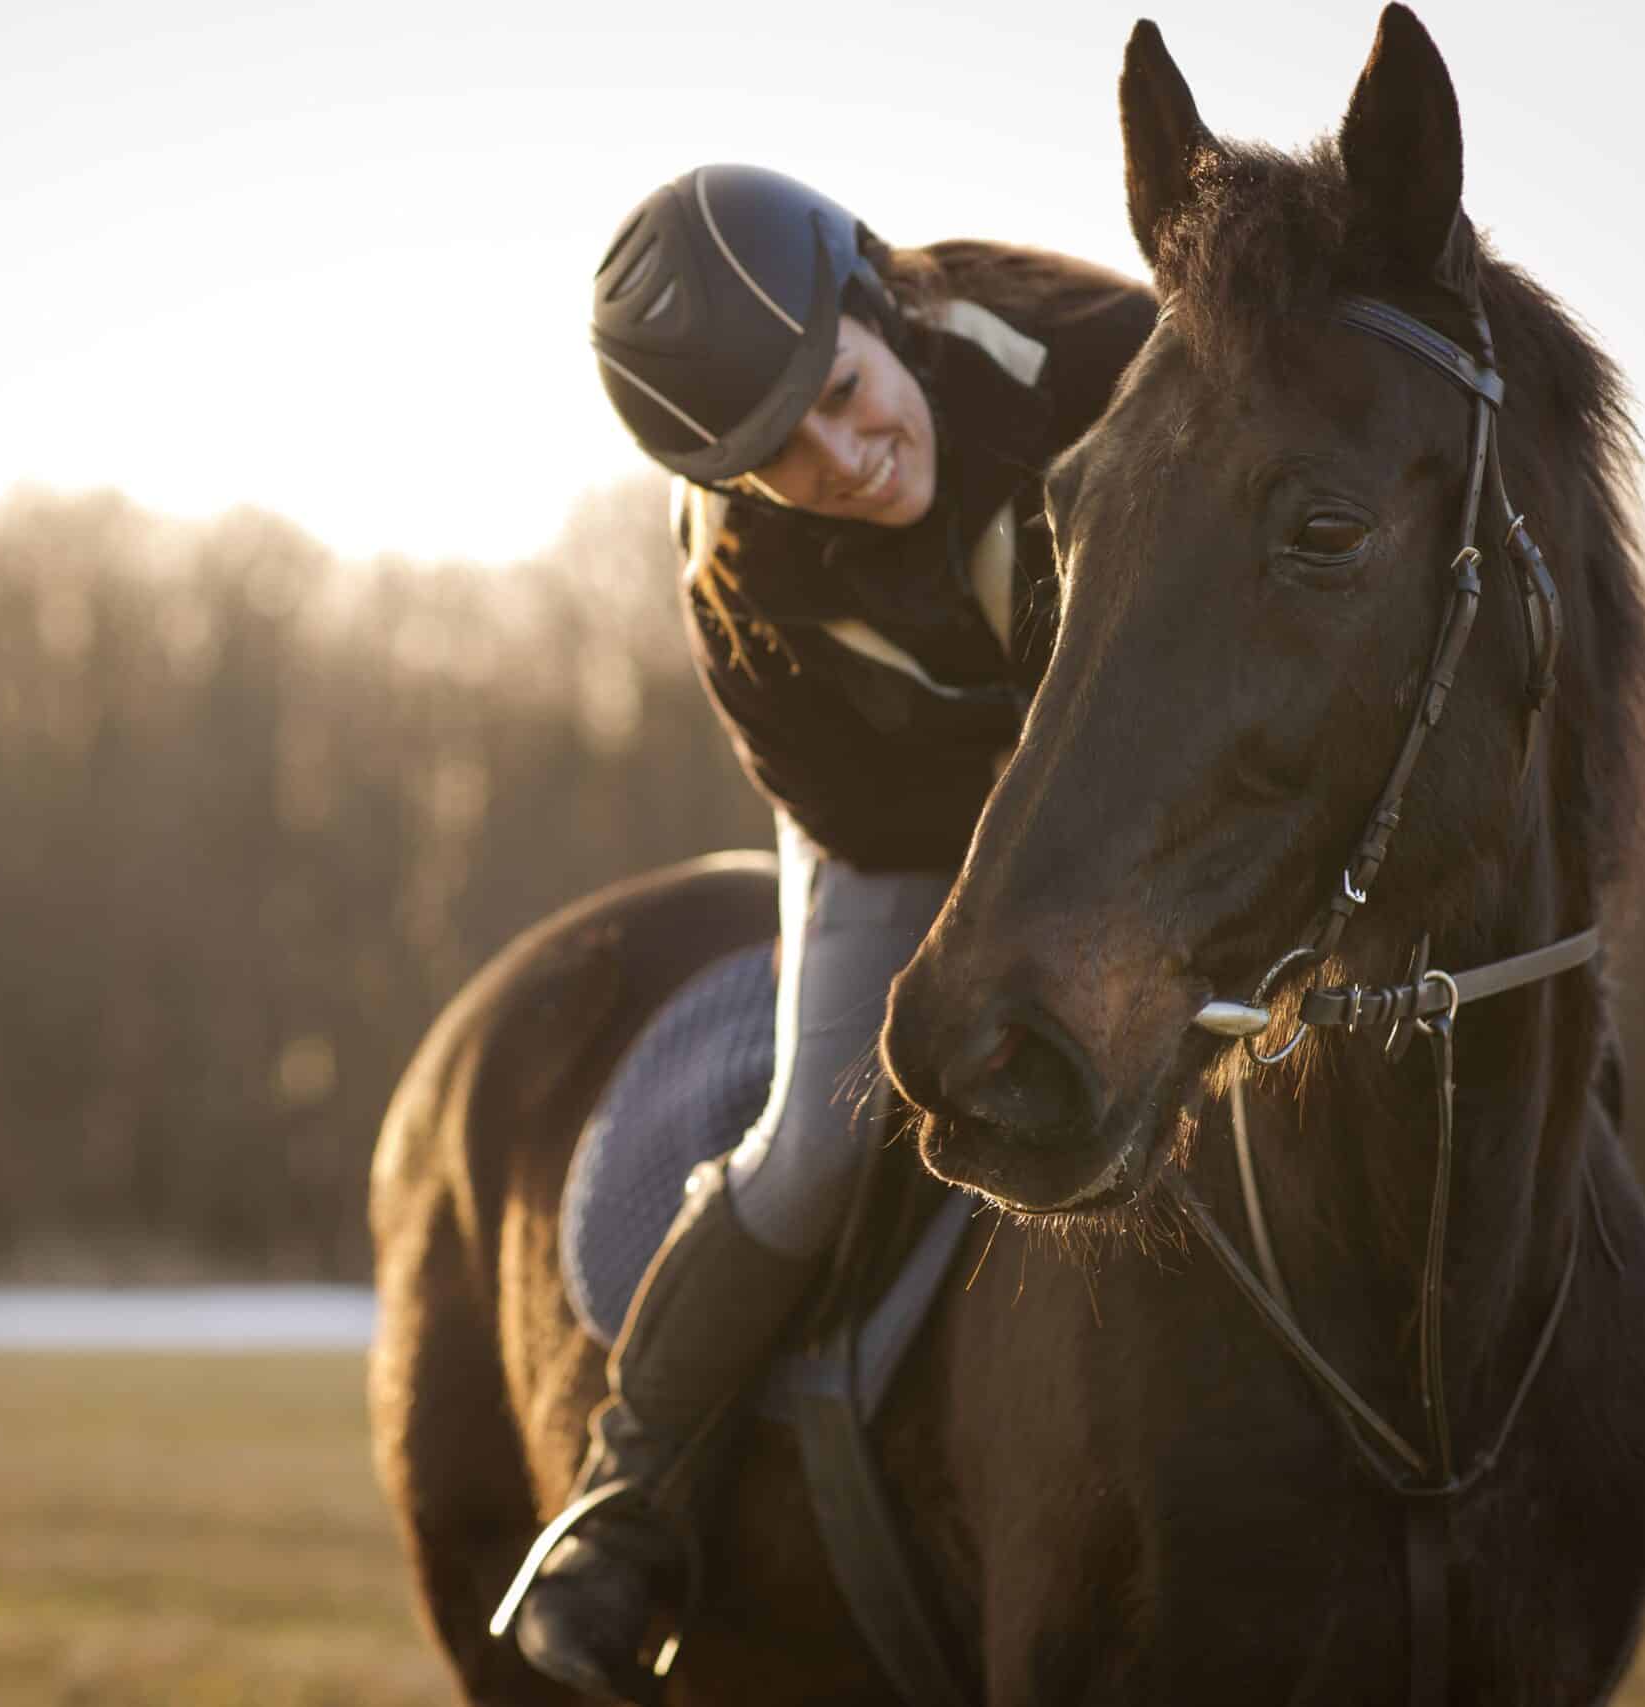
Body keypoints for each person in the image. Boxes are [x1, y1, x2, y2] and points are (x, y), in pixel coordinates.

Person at [495, 163, 1158, 1696]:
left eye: (845, 394)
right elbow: (863, 806)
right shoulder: (742, 575)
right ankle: (627, 1503)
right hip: (905, 827)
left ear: (885, 302)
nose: (845, 456)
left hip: (1136, 792)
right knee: (816, 1133)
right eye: (783, 455)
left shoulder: (1093, 347)